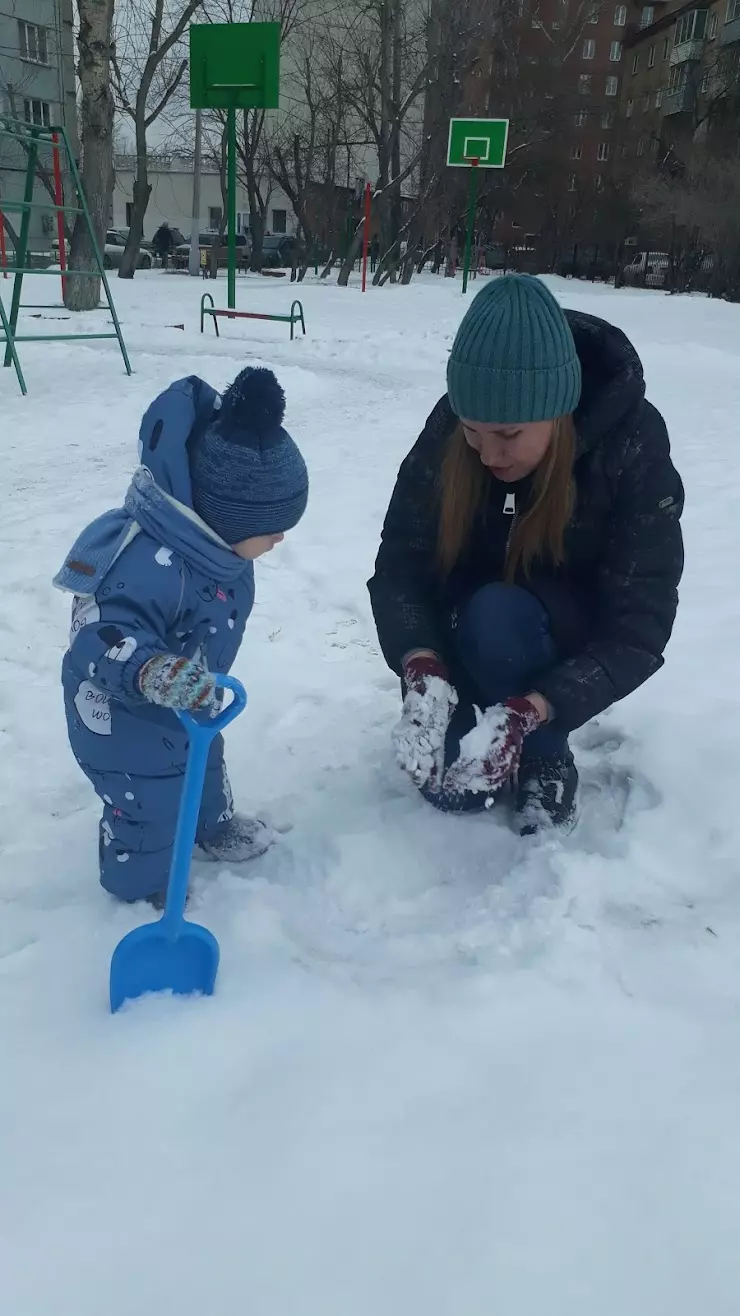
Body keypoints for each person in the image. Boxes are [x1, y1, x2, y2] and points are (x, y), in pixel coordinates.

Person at [368, 274, 684, 832]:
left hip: (554, 642)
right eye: (472, 431)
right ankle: (459, 708)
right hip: (461, 631)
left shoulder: (630, 444)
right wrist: (420, 661)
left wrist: (535, 711)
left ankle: (543, 749)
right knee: (454, 790)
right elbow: (402, 564)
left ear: (557, 411)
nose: (487, 453)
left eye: (508, 434)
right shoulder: (450, 432)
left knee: (500, 614)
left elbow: (640, 622)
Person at [54, 367, 309, 905]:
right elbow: (98, 633)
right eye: (272, 529)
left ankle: (209, 826)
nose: (281, 538)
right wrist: (151, 669)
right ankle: (138, 887)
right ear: (228, 521)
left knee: (202, 756)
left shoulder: (213, 547)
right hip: (121, 715)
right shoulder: (146, 560)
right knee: (148, 802)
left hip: (186, 694)